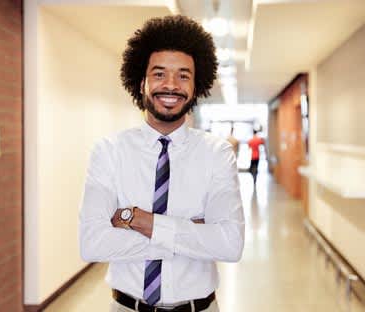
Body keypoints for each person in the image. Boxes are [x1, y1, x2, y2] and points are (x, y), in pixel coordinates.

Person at [79, 15, 244, 312]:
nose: (171, 85)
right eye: (159, 74)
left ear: (196, 85)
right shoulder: (109, 151)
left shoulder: (217, 154)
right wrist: (190, 234)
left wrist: (140, 221)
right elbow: (93, 244)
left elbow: (230, 245)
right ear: (141, 82)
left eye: (183, 75)